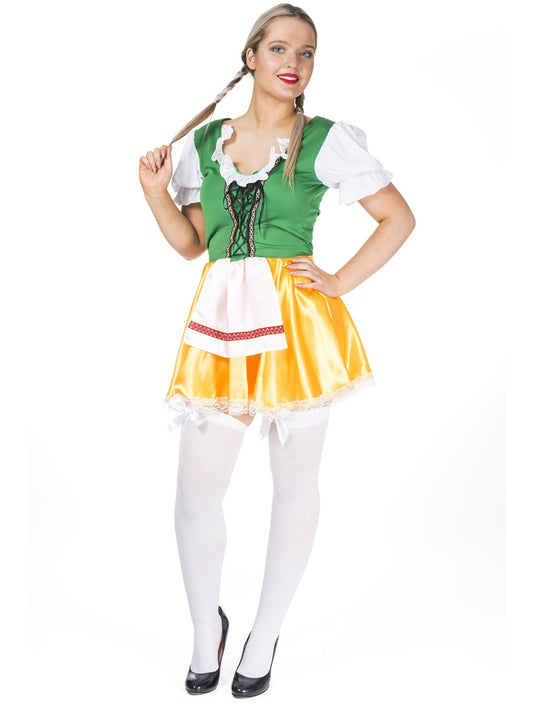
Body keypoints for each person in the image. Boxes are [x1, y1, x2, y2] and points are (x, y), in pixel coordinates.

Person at [138, 2, 415, 698]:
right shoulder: (206, 142)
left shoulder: (323, 139)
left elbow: (397, 217)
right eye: (280, 49)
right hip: (221, 325)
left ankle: (264, 633)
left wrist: (337, 282)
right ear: (251, 56)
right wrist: (154, 194)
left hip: (297, 327)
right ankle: (206, 629)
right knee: (195, 494)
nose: (294, 63)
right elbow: (192, 243)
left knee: (294, 487)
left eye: (307, 52)